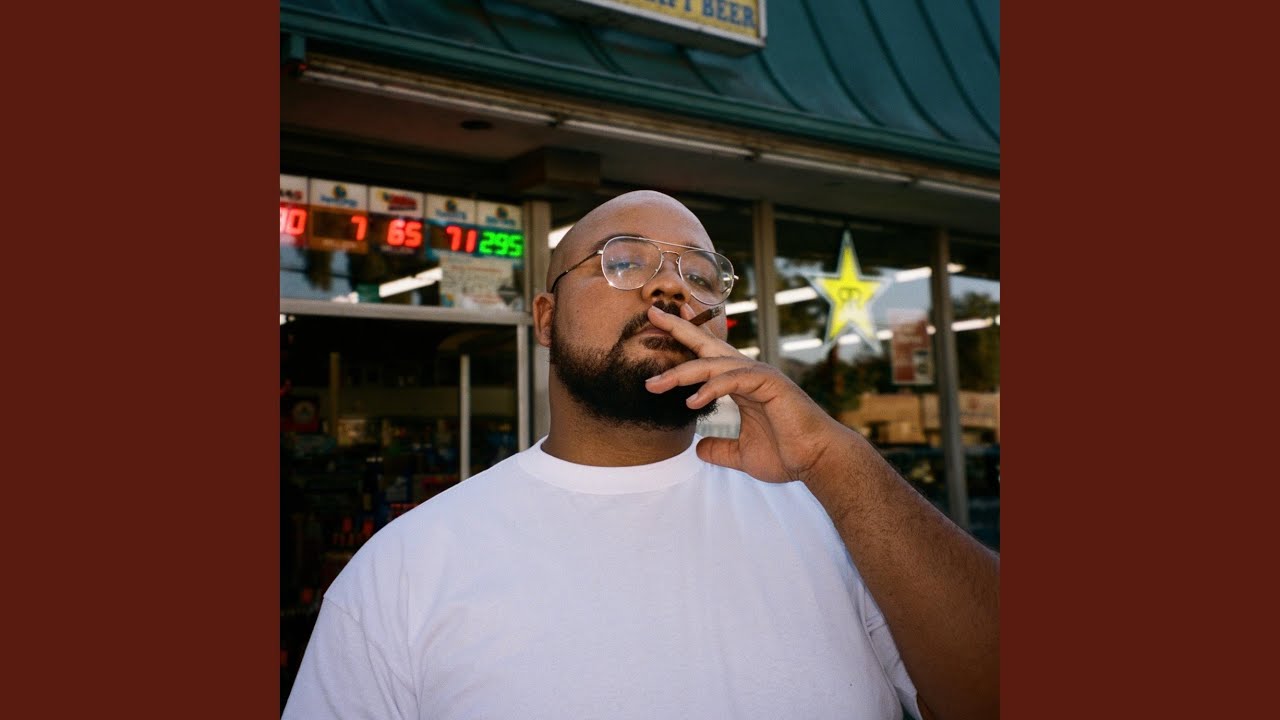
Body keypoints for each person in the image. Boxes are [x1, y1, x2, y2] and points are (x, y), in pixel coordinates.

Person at [282, 191, 999, 720]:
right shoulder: (405, 568)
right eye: (623, 261)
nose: (670, 287)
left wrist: (836, 461)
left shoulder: (836, 517)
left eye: (700, 276)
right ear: (546, 318)